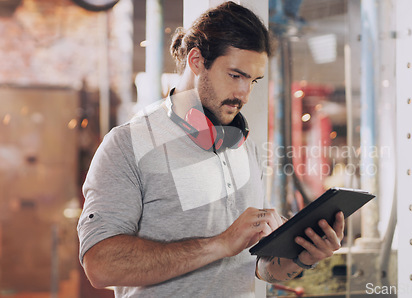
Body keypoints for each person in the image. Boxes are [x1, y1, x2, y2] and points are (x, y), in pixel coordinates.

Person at [77, 1, 344, 297]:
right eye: (235, 75)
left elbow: (258, 266)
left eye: (253, 80)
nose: (244, 93)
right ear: (196, 61)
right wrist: (219, 244)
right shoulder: (127, 144)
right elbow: (100, 265)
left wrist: (302, 257)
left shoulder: (245, 147)